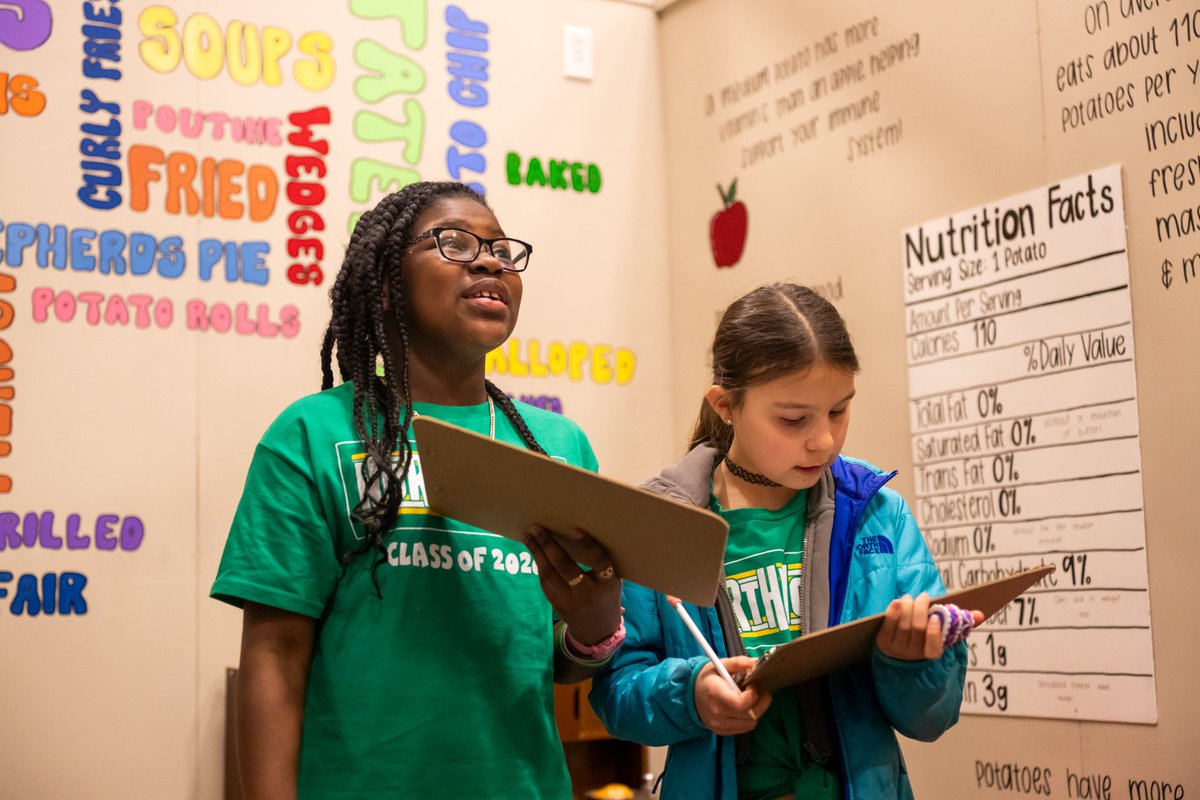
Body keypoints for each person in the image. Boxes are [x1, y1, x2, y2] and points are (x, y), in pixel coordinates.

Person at [211, 180, 624, 800]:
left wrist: (595, 627)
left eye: (501, 250)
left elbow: (557, 664)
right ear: (385, 283)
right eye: (454, 243)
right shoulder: (312, 434)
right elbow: (276, 656)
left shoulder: (558, 448)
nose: (489, 262)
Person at [589, 283, 982, 800]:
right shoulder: (659, 524)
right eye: (793, 420)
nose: (824, 440)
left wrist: (913, 663)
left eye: (839, 411)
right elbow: (617, 695)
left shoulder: (878, 515)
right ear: (726, 406)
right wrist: (691, 694)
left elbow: (933, 718)